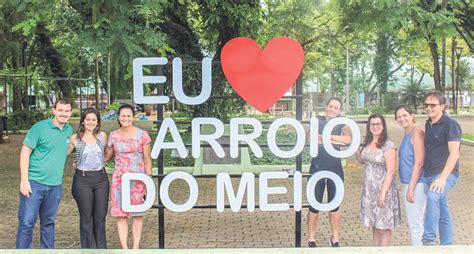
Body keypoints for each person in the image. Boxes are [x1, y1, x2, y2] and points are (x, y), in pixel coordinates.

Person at [16, 98, 73, 249]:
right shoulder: (39, 128)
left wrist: (72, 146)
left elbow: (62, 150)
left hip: (55, 186)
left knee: (49, 223)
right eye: (60, 110)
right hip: (34, 183)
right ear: (54, 110)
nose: (63, 114)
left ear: (70, 113)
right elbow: (24, 153)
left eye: (67, 111)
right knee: (27, 223)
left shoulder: (69, 130)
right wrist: (24, 180)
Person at [105, 104, 152, 249]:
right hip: (119, 179)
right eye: (123, 116)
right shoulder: (113, 135)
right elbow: (106, 156)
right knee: (121, 214)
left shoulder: (142, 135)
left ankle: (135, 247)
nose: (126, 118)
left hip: (138, 179)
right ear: (118, 118)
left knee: (137, 214)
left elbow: (147, 160)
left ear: (133, 117)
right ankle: (124, 248)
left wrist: (147, 183)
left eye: (128, 116)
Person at [306, 97, 352, 248]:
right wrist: (335, 140)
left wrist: (325, 137)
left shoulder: (341, 123)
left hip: (335, 168)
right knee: (314, 204)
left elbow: (348, 139)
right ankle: (311, 238)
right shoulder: (317, 120)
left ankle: (335, 238)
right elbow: (309, 139)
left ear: (339, 111)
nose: (332, 109)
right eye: (330, 106)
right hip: (317, 167)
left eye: (336, 108)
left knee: (335, 205)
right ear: (326, 106)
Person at [421, 91, 461, 245]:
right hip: (429, 174)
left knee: (432, 197)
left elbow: (454, 154)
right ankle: (447, 245)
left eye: (433, 105)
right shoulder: (428, 124)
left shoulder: (451, 125)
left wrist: (443, 179)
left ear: (442, 106)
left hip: (446, 174)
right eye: (426, 105)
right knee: (443, 212)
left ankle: (428, 240)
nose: (429, 108)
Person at [356, 114, 400, 246]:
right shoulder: (367, 143)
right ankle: (376, 250)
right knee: (374, 224)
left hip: (383, 189)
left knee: (384, 225)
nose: (375, 127)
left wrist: (383, 193)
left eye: (378, 124)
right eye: (372, 124)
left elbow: (391, 170)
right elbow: (361, 161)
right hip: (369, 190)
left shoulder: (388, 145)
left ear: (383, 126)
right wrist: (357, 150)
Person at [67, 108, 109, 248]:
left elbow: (109, 151)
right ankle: (89, 249)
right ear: (83, 121)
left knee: (100, 216)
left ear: (97, 122)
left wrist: (105, 160)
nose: (91, 122)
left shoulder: (102, 136)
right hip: (82, 181)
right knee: (86, 218)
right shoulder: (75, 138)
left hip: (101, 179)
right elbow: (64, 152)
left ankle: (101, 249)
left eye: (94, 119)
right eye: (88, 119)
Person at [394, 105, 426, 246]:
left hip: (416, 184)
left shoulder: (416, 132)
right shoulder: (407, 134)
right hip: (409, 183)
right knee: (414, 222)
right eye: (399, 117)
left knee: (415, 223)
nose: (402, 119)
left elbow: (419, 162)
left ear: (411, 115)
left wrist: (411, 188)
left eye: (405, 115)